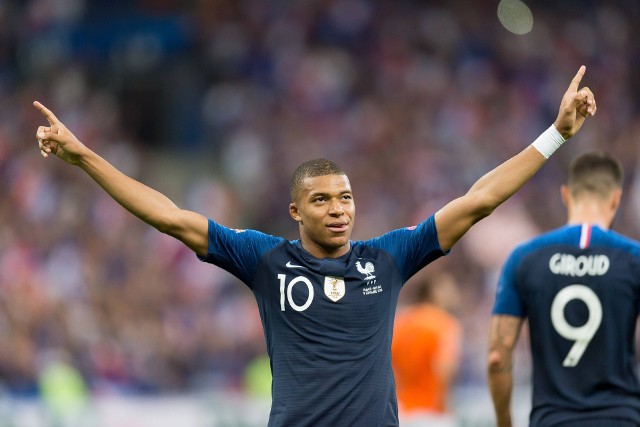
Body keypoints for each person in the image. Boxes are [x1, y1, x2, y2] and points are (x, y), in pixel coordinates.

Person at [35, 66, 595, 426]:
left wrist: (556, 135)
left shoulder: (389, 258)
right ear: (296, 211)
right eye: (323, 200)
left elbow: (478, 201)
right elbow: (169, 216)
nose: (339, 210)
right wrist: (84, 156)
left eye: (346, 198)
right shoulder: (265, 260)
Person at [487, 151, 640, 427]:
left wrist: (504, 423)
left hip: (553, 420)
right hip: (622, 418)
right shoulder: (633, 258)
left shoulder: (525, 258)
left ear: (566, 194)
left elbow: (498, 357)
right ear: (616, 198)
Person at [392, 271, 462, 427]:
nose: (453, 293)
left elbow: (389, 367)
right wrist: (444, 407)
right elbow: (444, 369)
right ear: (434, 291)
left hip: (403, 411)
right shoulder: (444, 324)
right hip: (432, 413)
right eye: (447, 288)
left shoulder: (402, 322)